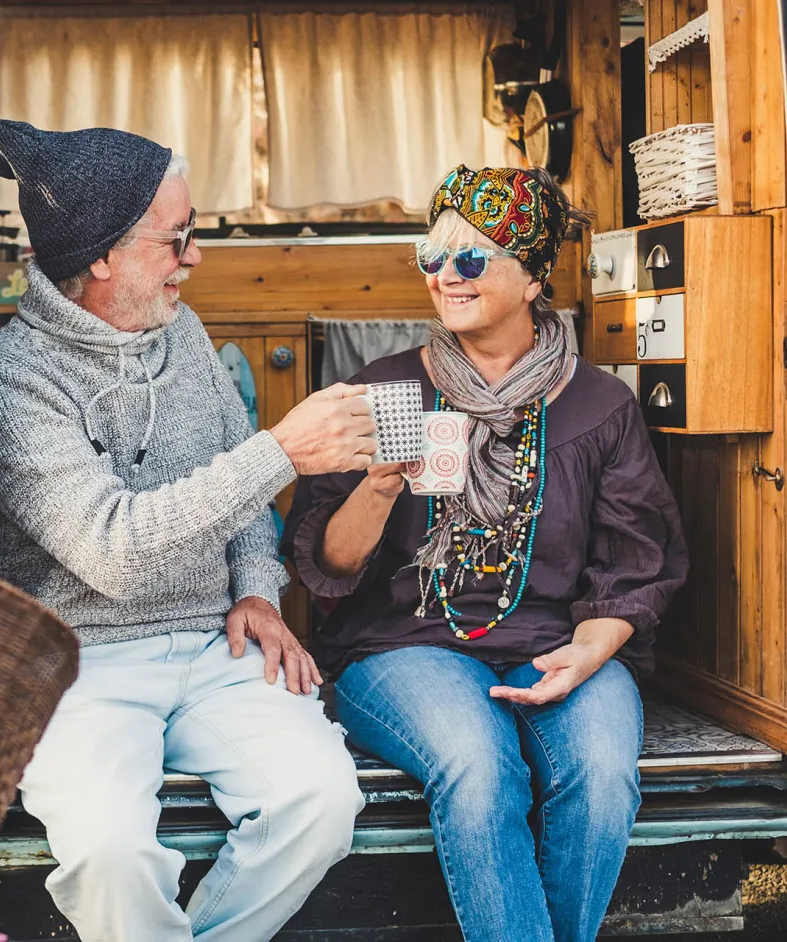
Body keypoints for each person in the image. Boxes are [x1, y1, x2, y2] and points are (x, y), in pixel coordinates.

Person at [283, 164, 688, 942]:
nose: (445, 276)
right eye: (432, 258)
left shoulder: (601, 407)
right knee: (478, 767)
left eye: (471, 259)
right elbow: (327, 571)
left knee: (603, 775)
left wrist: (589, 649)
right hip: (404, 646)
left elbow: (638, 563)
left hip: (557, 645)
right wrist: (376, 488)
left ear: (534, 275)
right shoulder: (385, 391)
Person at [0, 119, 369, 942]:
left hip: (211, 649)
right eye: (178, 239)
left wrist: (260, 593)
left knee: (324, 802)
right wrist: (282, 451)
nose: (194, 257)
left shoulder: (183, 334)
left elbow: (242, 507)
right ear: (99, 257)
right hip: (76, 664)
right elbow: (115, 552)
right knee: (109, 857)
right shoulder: (13, 381)